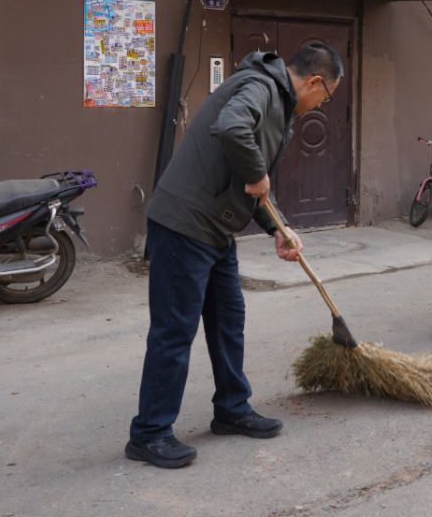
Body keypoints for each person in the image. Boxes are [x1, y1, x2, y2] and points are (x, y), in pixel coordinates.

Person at [126, 43, 343, 468]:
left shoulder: (277, 103)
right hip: (184, 224)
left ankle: (232, 408)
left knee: (229, 320)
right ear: (315, 82)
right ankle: (149, 433)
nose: (322, 104)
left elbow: (252, 182)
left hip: (216, 229)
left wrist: (277, 228)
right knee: (174, 330)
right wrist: (258, 173)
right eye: (326, 97)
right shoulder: (260, 86)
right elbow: (232, 129)